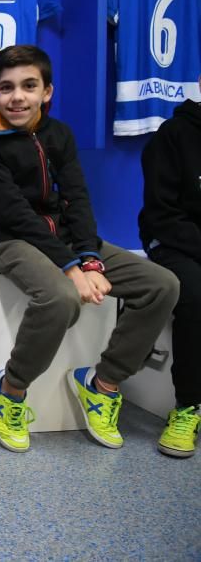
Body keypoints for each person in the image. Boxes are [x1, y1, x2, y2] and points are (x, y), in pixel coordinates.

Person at [0, 44, 179, 453]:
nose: (17, 97)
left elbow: (77, 198)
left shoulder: (58, 133)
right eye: (6, 88)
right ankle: (12, 389)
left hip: (66, 239)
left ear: (47, 91)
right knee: (62, 299)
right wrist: (70, 268)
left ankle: (102, 384)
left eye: (29, 86)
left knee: (162, 284)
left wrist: (89, 258)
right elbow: (11, 212)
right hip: (10, 241)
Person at [139, 76, 201, 458]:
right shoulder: (173, 135)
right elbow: (163, 216)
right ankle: (188, 407)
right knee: (195, 295)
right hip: (172, 242)